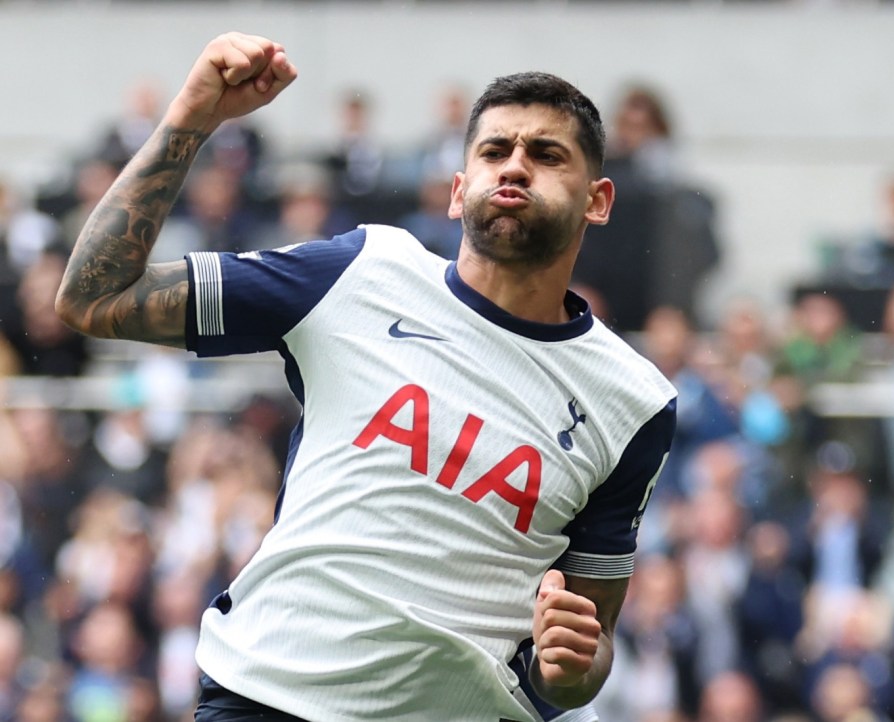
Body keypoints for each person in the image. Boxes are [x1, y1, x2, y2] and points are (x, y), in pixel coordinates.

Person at [55, 33, 677, 722]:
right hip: (266, 699)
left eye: (547, 154)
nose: (516, 167)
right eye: (495, 151)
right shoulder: (360, 272)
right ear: (457, 189)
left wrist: (571, 668)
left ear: (598, 200)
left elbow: (591, 641)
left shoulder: (635, 400)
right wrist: (193, 116)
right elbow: (94, 297)